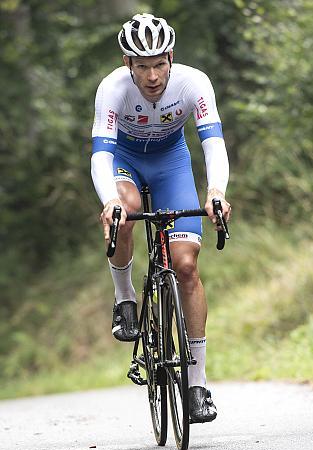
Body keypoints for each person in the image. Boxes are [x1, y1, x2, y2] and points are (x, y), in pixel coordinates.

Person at [91, 13, 231, 423]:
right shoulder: (112, 90)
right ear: (126, 64)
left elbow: (213, 143)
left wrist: (217, 192)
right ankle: (125, 299)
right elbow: (101, 153)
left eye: (159, 64)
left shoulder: (194, 83)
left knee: (186, 266)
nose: (152, 76)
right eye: (142, 66)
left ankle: (197, 383)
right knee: (127, 210)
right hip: (125, 162)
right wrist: (109, 201)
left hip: (172, 163)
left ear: (171, 58)